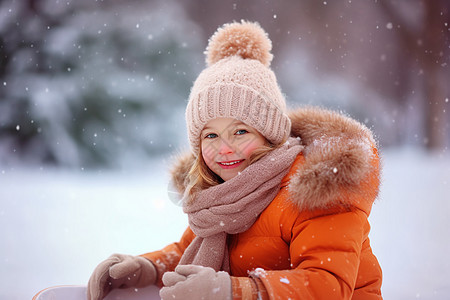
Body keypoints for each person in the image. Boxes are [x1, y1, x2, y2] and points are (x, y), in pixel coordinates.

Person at [87, 20, 383, 300]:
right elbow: (188, 250)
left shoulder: (317, 192)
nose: (224, 149)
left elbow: (327, 285)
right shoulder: (219, 195)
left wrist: (233, 291)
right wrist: (145, 269)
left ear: (270, 134)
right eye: (211, 136)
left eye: (240, 131)